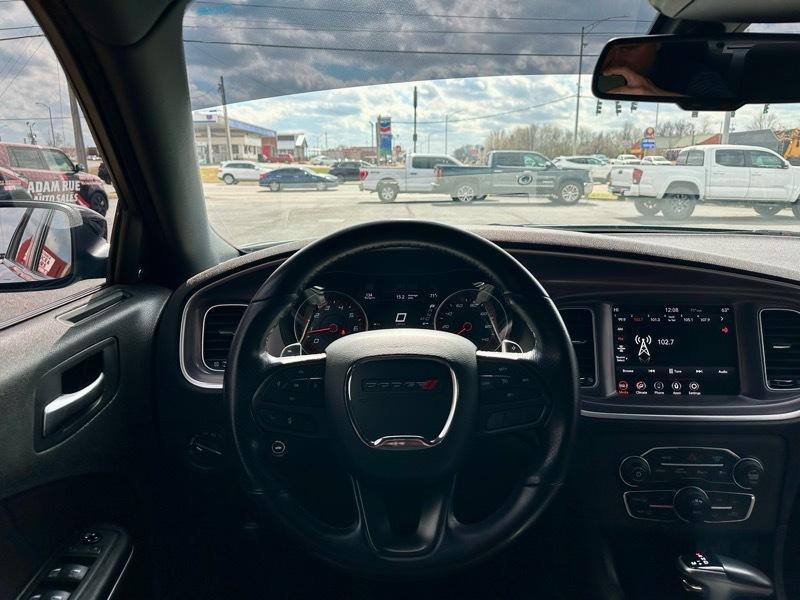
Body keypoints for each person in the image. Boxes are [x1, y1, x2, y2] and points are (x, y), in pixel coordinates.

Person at [603, 41, 733, 98]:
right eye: (608, 50)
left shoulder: (691, 74)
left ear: (657, 43)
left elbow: (722, 104)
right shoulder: (601, 76)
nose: (616, 58)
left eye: (629, 46)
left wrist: (657, 94)